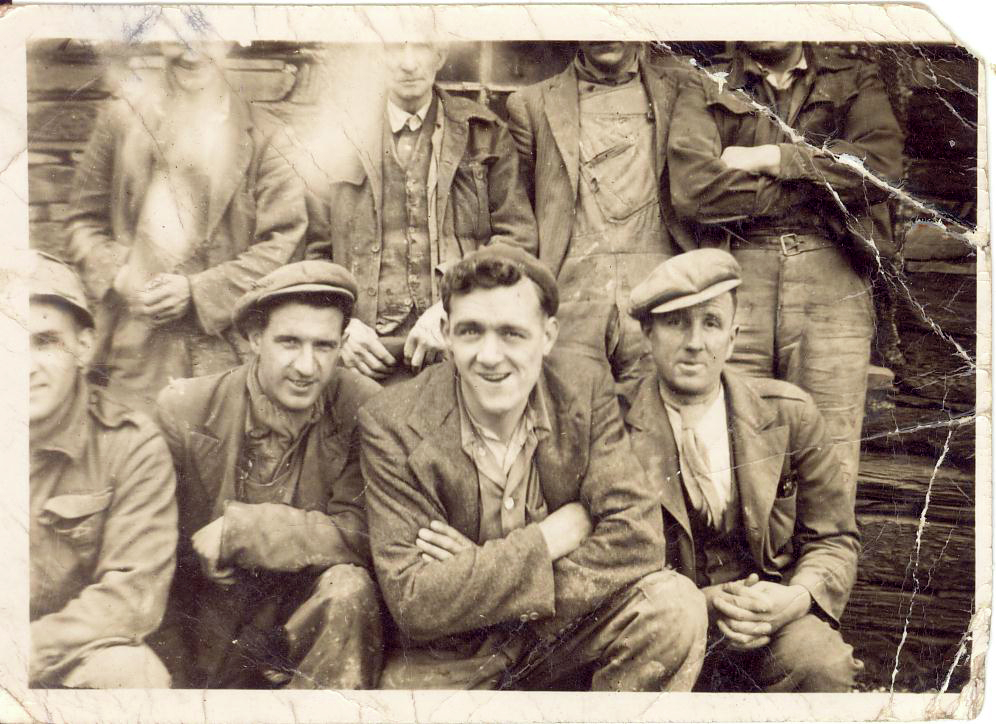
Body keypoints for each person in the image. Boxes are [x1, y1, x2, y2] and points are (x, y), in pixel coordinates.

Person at [360, 245, 706, 691]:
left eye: (512, 334)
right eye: (471, 332)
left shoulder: (582, 389)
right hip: (452, 655)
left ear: (548, 335)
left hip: (561, 634)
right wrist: (548, 539)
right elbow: (415, 600)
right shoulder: (390, 420)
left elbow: (638, 540)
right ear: (446, 333)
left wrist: (481, 575)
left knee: (674, 607)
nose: (489, 356)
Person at [623, 248, 863, 692]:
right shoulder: (613, 425)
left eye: (710, 323)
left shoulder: (789, 415)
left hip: (764, 623)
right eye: (677, 322)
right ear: (647, 334)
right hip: (659, 628)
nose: (695, 342)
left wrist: (794, 598)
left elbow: (833, 538)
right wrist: (700, 603)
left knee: (821, 665)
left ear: (732, 339)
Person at [666, 41, 904, 488]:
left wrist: (773, 158)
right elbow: (695, 190)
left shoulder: (854, 77)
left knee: (828, 458)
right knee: (732, 450)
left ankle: (823, 558)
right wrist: (817, 190)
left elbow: (881, 169)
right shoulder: (704, 81)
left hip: (831, 271)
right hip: (739, 272)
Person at [154, 261, 383, 689]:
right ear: (255, 338)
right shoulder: (186, 408)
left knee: (350, 587)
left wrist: (245, 529)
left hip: (309, 629)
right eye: (289, 342)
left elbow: (363, 533)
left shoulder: (363, 407)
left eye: (324, 346)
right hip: (211, 625)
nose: (307, 366)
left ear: (342, 344)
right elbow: (153, 549)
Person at [65, 41, 308, 414]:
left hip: (226, 359)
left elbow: (284, 245)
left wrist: (198, 291)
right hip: (133, 355)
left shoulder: (268, 138)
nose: (191, 52)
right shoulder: (121, 121)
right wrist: (120, 273)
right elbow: (83, 222)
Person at [305, 40, 537, 383]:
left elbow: (517, 240)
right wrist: (339, 325)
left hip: (456, 344)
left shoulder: (483, 133)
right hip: (364, 354)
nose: (408, 63)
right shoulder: (338, 134)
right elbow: (313, 254)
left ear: (441, 55)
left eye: (422, 47)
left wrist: (455, 305)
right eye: (394, 48)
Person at [29, 250, 177, 688]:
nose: (23, 365)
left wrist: (22, 650)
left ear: (84, 346)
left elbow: (131, 596)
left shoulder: (130, 445)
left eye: (45, 341)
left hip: (61, 656)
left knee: (131, 674)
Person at [505, 42, 708, 359]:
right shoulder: (531, 104)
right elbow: (521, 220)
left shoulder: (683, 90)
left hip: (662, 299)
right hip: (572, 303)